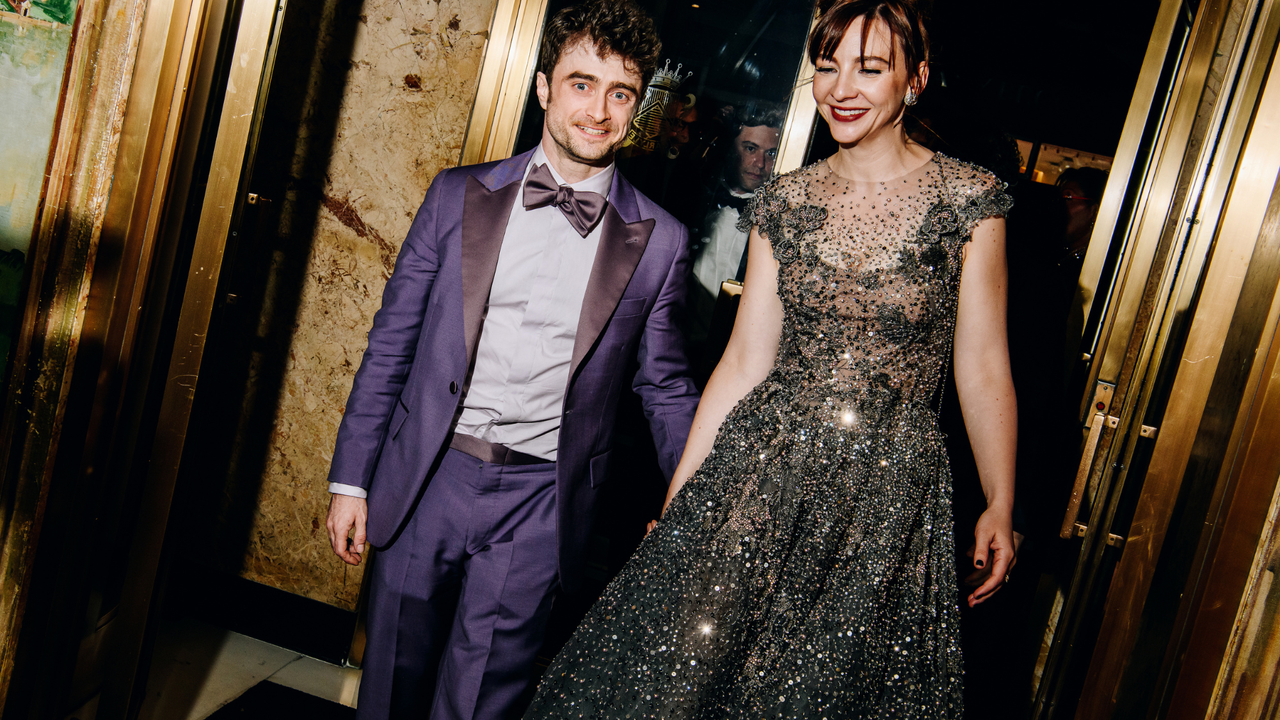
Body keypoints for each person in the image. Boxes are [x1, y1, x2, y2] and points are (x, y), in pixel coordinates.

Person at [523, 0, 1017, 716]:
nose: (842, 87)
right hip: (763, 473)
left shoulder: (969, 203)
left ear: (915, 79)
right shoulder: (785, 201)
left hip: (887, 499)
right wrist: (679, 498)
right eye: (827, 67)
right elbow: (744, 363)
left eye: (870, 68)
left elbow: (982, 366)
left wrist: (1000, 499)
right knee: (688, 678)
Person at [323, 3, 700, 718]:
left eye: (620, 93)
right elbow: (391, 343)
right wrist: (352, 478)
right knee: (391, 684)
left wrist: (694, 497)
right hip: (429, 473)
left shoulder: (663, 243)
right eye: (581, 84)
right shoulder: (455, 196)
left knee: (479, 703)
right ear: (543, 87)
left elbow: (666, 387)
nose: (598, 110)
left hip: (542, 502)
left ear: (638, 107)